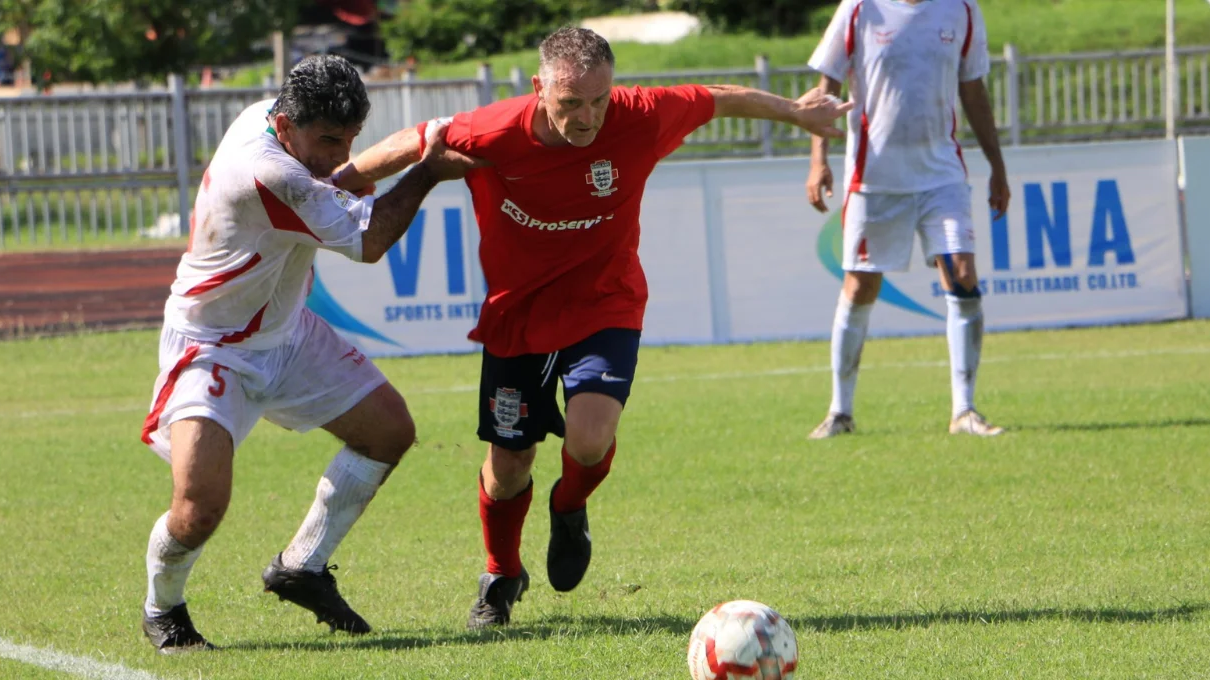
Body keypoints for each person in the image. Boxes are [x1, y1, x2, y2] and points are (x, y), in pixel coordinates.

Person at [333, 26, 851, 630]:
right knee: (509, 465)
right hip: (517, 314)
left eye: (600, 99)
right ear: (539, 89)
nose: (589, 117)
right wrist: (336, 184)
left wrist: (796, 112)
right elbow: (416, 139)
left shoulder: (641, 114)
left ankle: (569, 504)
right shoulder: (496, 129)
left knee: (589, 439)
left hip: (606, 303)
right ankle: (500, 575)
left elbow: (723, 96)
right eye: (572, 102)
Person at [137, 54, 477, 653]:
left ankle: (303, 566)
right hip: (215, 347)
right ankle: (162, 609)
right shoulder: (268, 173)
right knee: (198, 508)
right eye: (327, 140)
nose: (337, 152)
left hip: (287, 332)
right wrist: (427, 171)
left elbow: (339, 176)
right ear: (288, 124)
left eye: (349, 139)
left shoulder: (276, 130)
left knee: (389, 431)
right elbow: (370, 240)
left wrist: (435, 137)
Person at [803, 0, 1012, 440]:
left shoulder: (961, 9)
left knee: (963, 275)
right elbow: (828, 85)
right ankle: (840, 411)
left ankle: (965, 410)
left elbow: (973, 91)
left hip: (942, 174)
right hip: (874, 178)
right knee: (860, 286)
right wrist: (818, 160)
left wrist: (998, 165)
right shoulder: (860, 9)